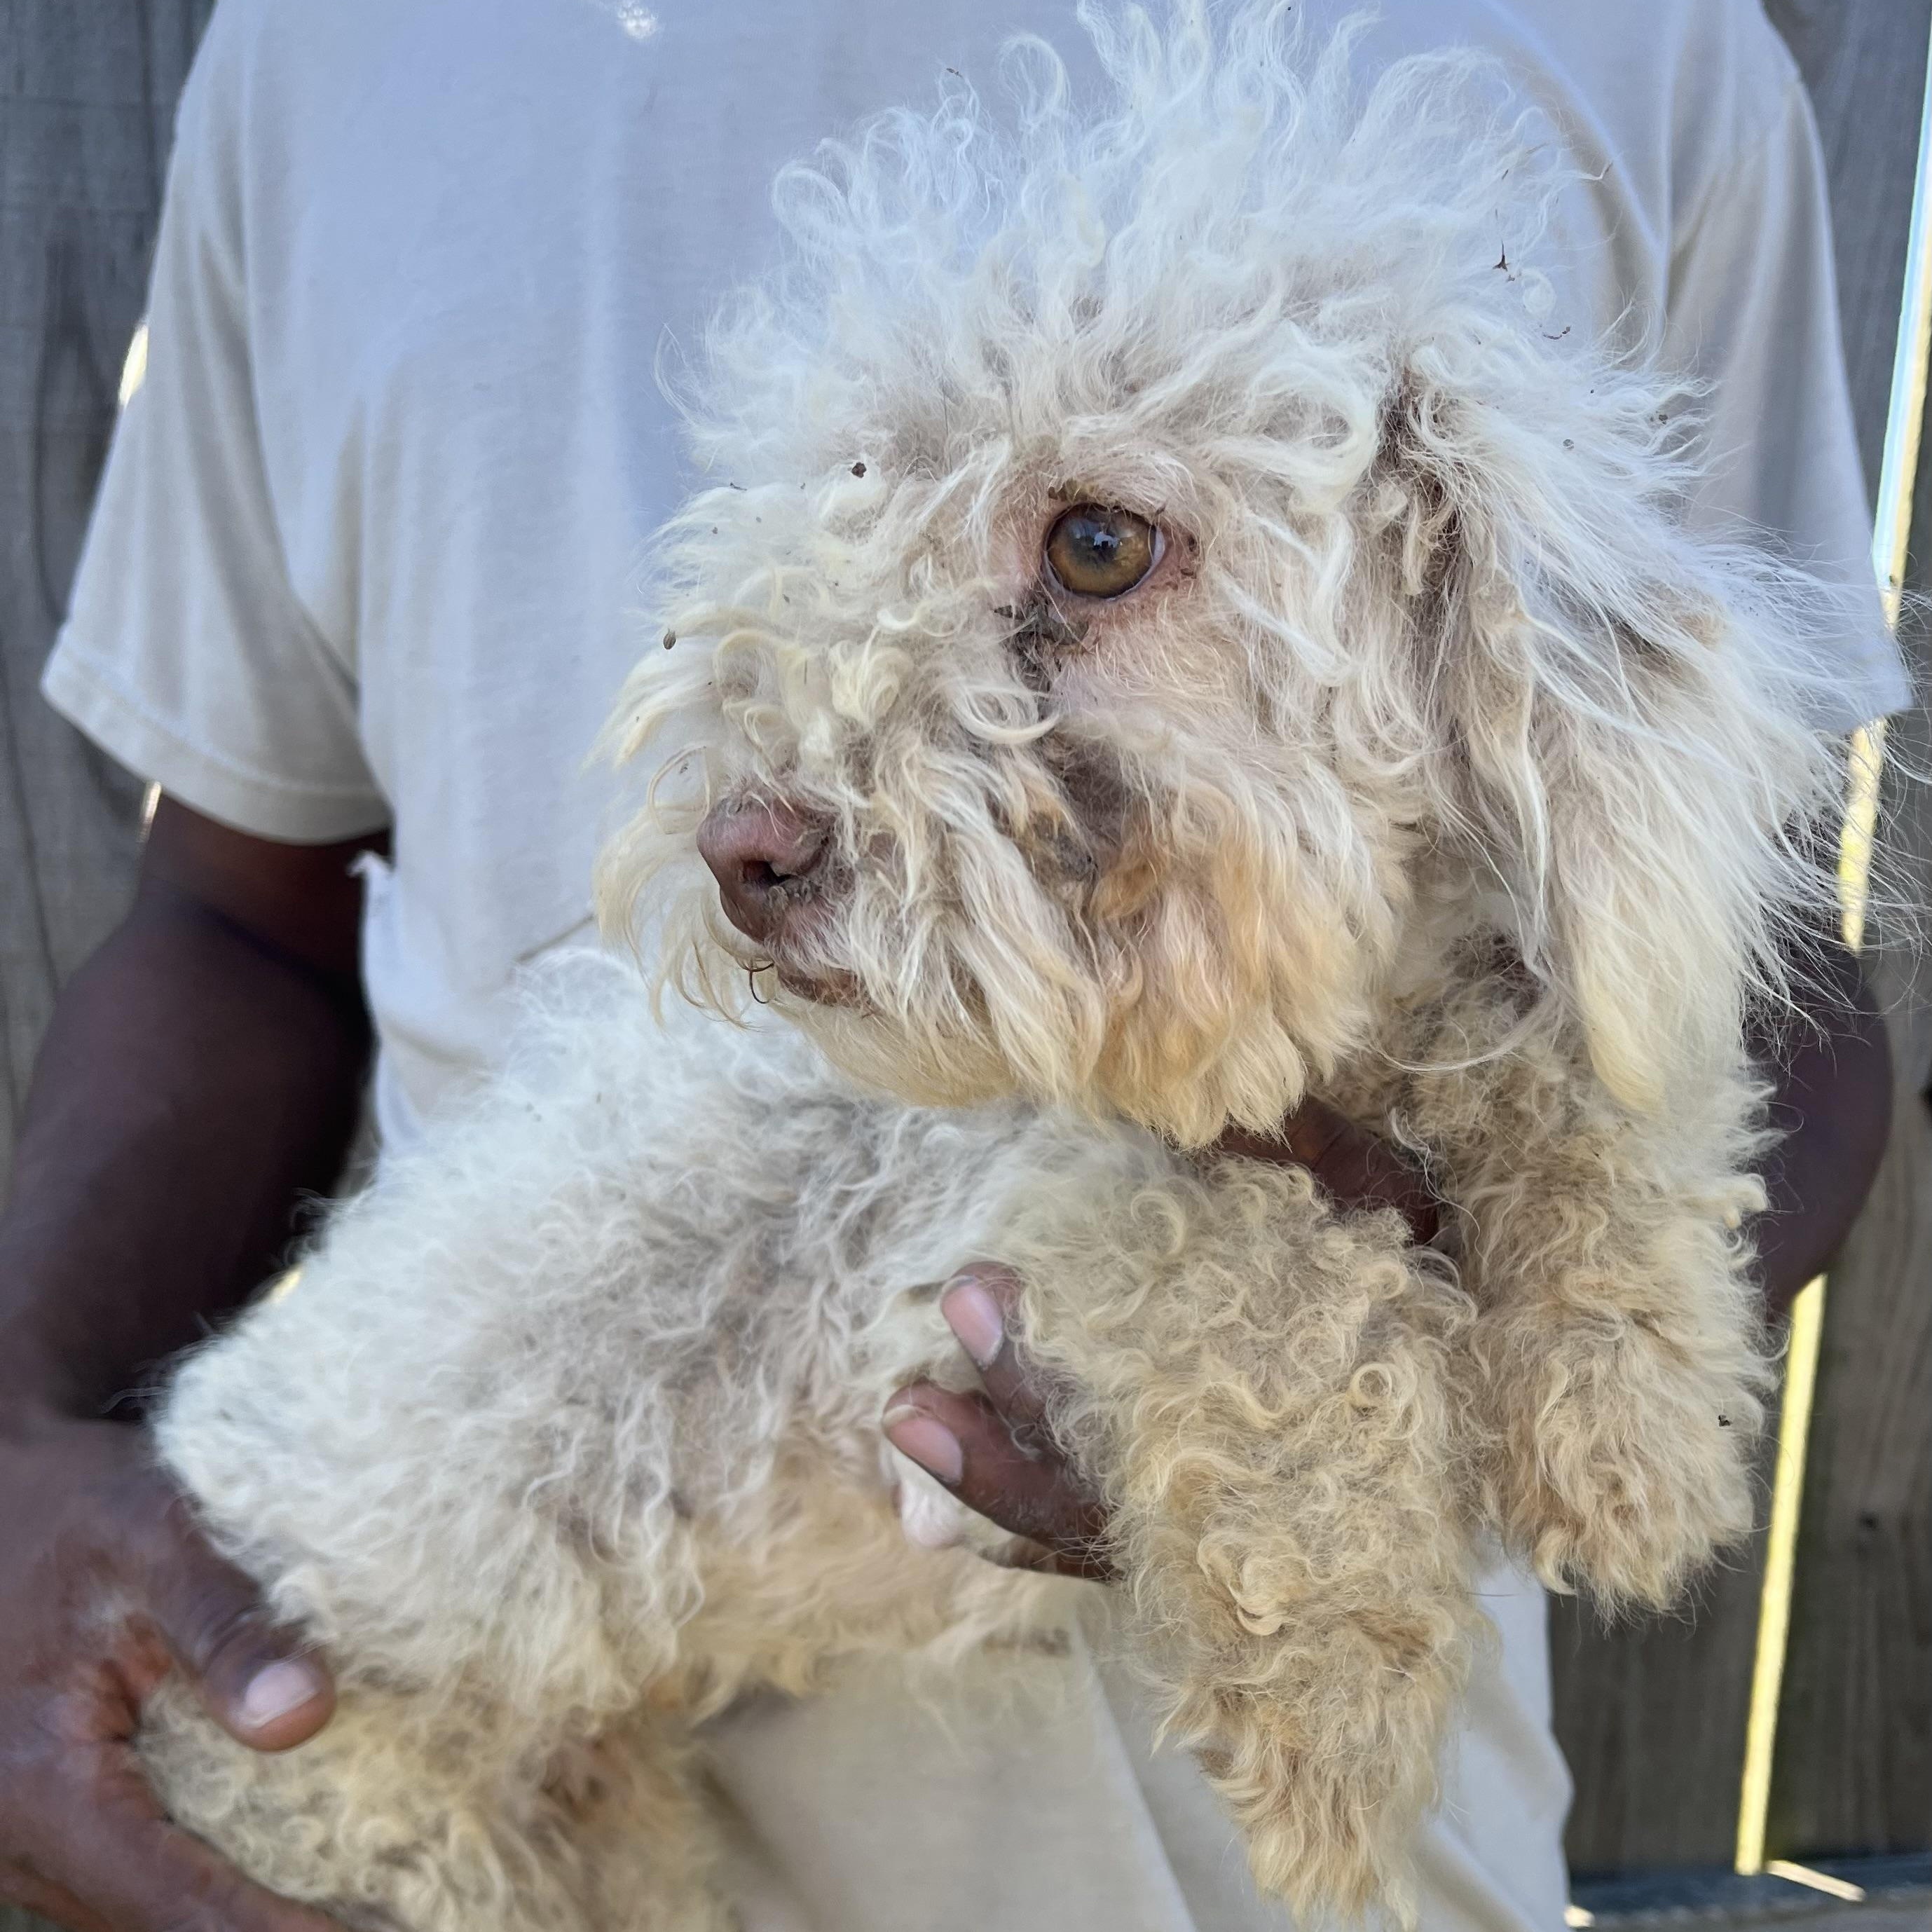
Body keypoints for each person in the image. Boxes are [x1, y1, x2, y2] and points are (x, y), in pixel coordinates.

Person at [0, 2, 1905, 1928]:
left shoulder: (1637, 41)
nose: (742, 818)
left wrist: (1524, 1345)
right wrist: (6, 1439)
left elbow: (1713, 925)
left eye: (1094, 551)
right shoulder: (333, 45)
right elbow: (235, 910)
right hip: (403, 1713)